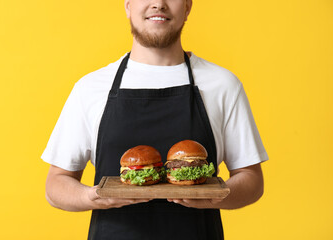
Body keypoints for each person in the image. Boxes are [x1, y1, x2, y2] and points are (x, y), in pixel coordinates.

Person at [42, 0, 268, 239]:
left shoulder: (223, 84)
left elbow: (252, 180)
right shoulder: (90, 88)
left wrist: (215, 196)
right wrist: (92, 197)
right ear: (128, 5)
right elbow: (56, 184)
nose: (158, 3)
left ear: (187, 7)